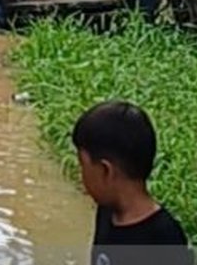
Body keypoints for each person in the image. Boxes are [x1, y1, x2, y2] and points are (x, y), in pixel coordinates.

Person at [73, 101, 190, 265]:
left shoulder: (164, 238)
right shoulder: (107, 212)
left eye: (83, 165)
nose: (81, 176)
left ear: (106, 171)